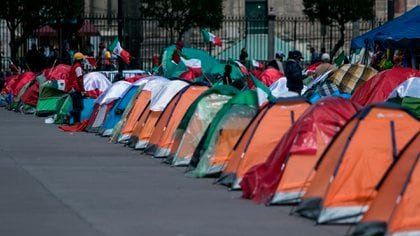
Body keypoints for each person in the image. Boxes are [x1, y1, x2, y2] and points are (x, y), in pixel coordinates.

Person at [67, 52, 86, 124]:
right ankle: (69, 114)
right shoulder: (78, 67)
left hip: (71, 89)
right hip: (76, 89)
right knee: (80, 107)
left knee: (75, 106)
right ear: (80, 60)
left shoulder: (73, 66)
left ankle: (76, 122)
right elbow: (80, 79)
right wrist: (83, 90)